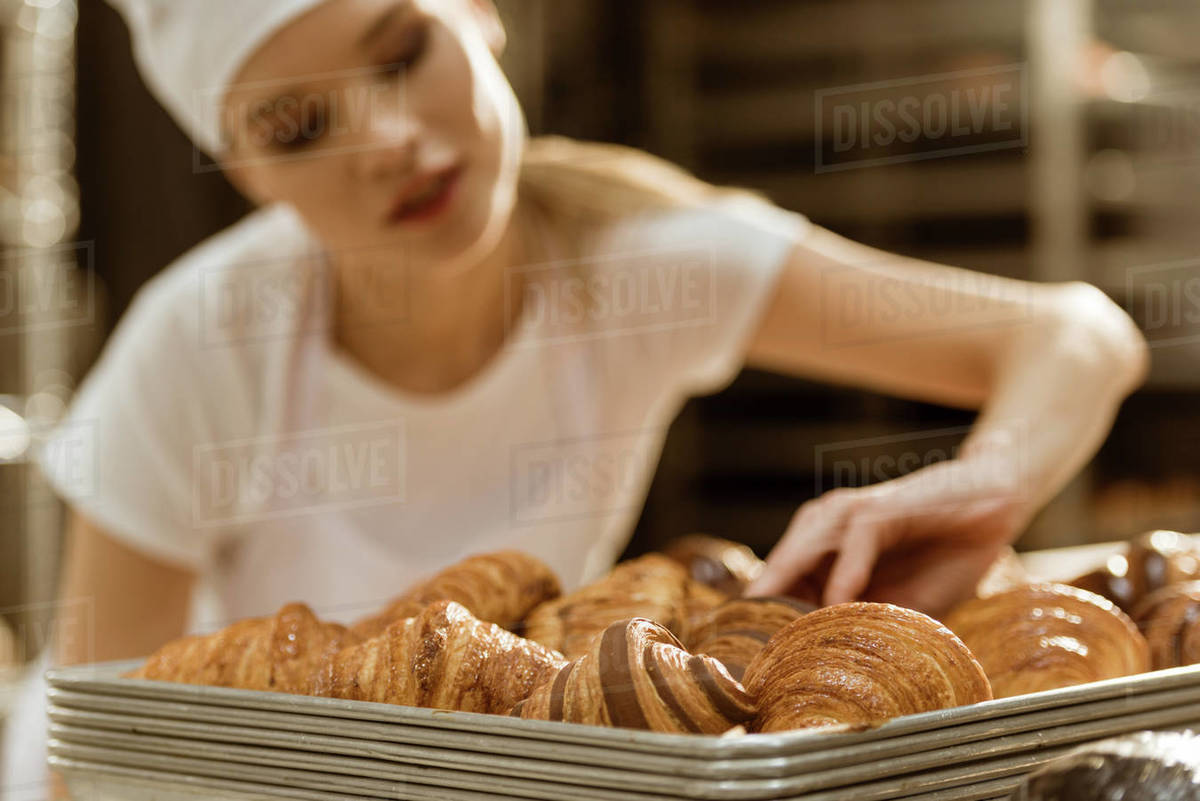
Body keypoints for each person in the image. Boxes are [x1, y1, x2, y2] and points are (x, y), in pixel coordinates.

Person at [2, 0, 1149, 794]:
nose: (388, 139)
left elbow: (1075, 335)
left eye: (401, 52)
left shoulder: (639, 263)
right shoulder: (200, 344)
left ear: (481, 12)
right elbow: (92, 734)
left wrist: (988, 486)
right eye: (300, 128)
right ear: (246, 174)